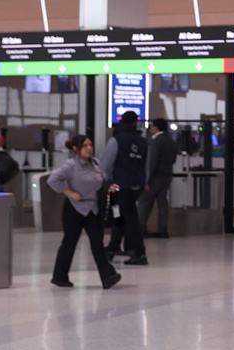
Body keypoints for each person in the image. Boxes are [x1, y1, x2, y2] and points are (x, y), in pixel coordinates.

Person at [47, 135, 121, 290]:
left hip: (92, 209)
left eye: (90, 145)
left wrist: (109, 187)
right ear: (76, 149)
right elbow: (53, 180)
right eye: (85, 145)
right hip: (75, 209)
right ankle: (60, 276)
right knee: (69, 243)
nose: (89, 148)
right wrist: (69, 192)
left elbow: (103, 179)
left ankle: (108, 276)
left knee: (97, 244)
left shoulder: (96, 163)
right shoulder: (70, 165)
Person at [100, 112, 149, 265]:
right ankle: (111, 250)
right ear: (135, 122)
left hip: (121, 184)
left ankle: (140, 253)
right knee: (122, 216)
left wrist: (103, 180)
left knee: (130, 218)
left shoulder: (116, 140)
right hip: (137, 185)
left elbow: (105, 164)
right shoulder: (143, 141)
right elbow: (145, 164)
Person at [139, 118, 177, 239]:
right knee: (162, 203)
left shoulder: (156, 141)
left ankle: (141, 228)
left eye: (151, 127)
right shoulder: (171, 141)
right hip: (166, 176)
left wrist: (147, 180)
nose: (150, 129)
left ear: (156, 128)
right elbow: (173, 160)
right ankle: (162, 229)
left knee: (144, 201)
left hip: (155, 177)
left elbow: (152, 162)